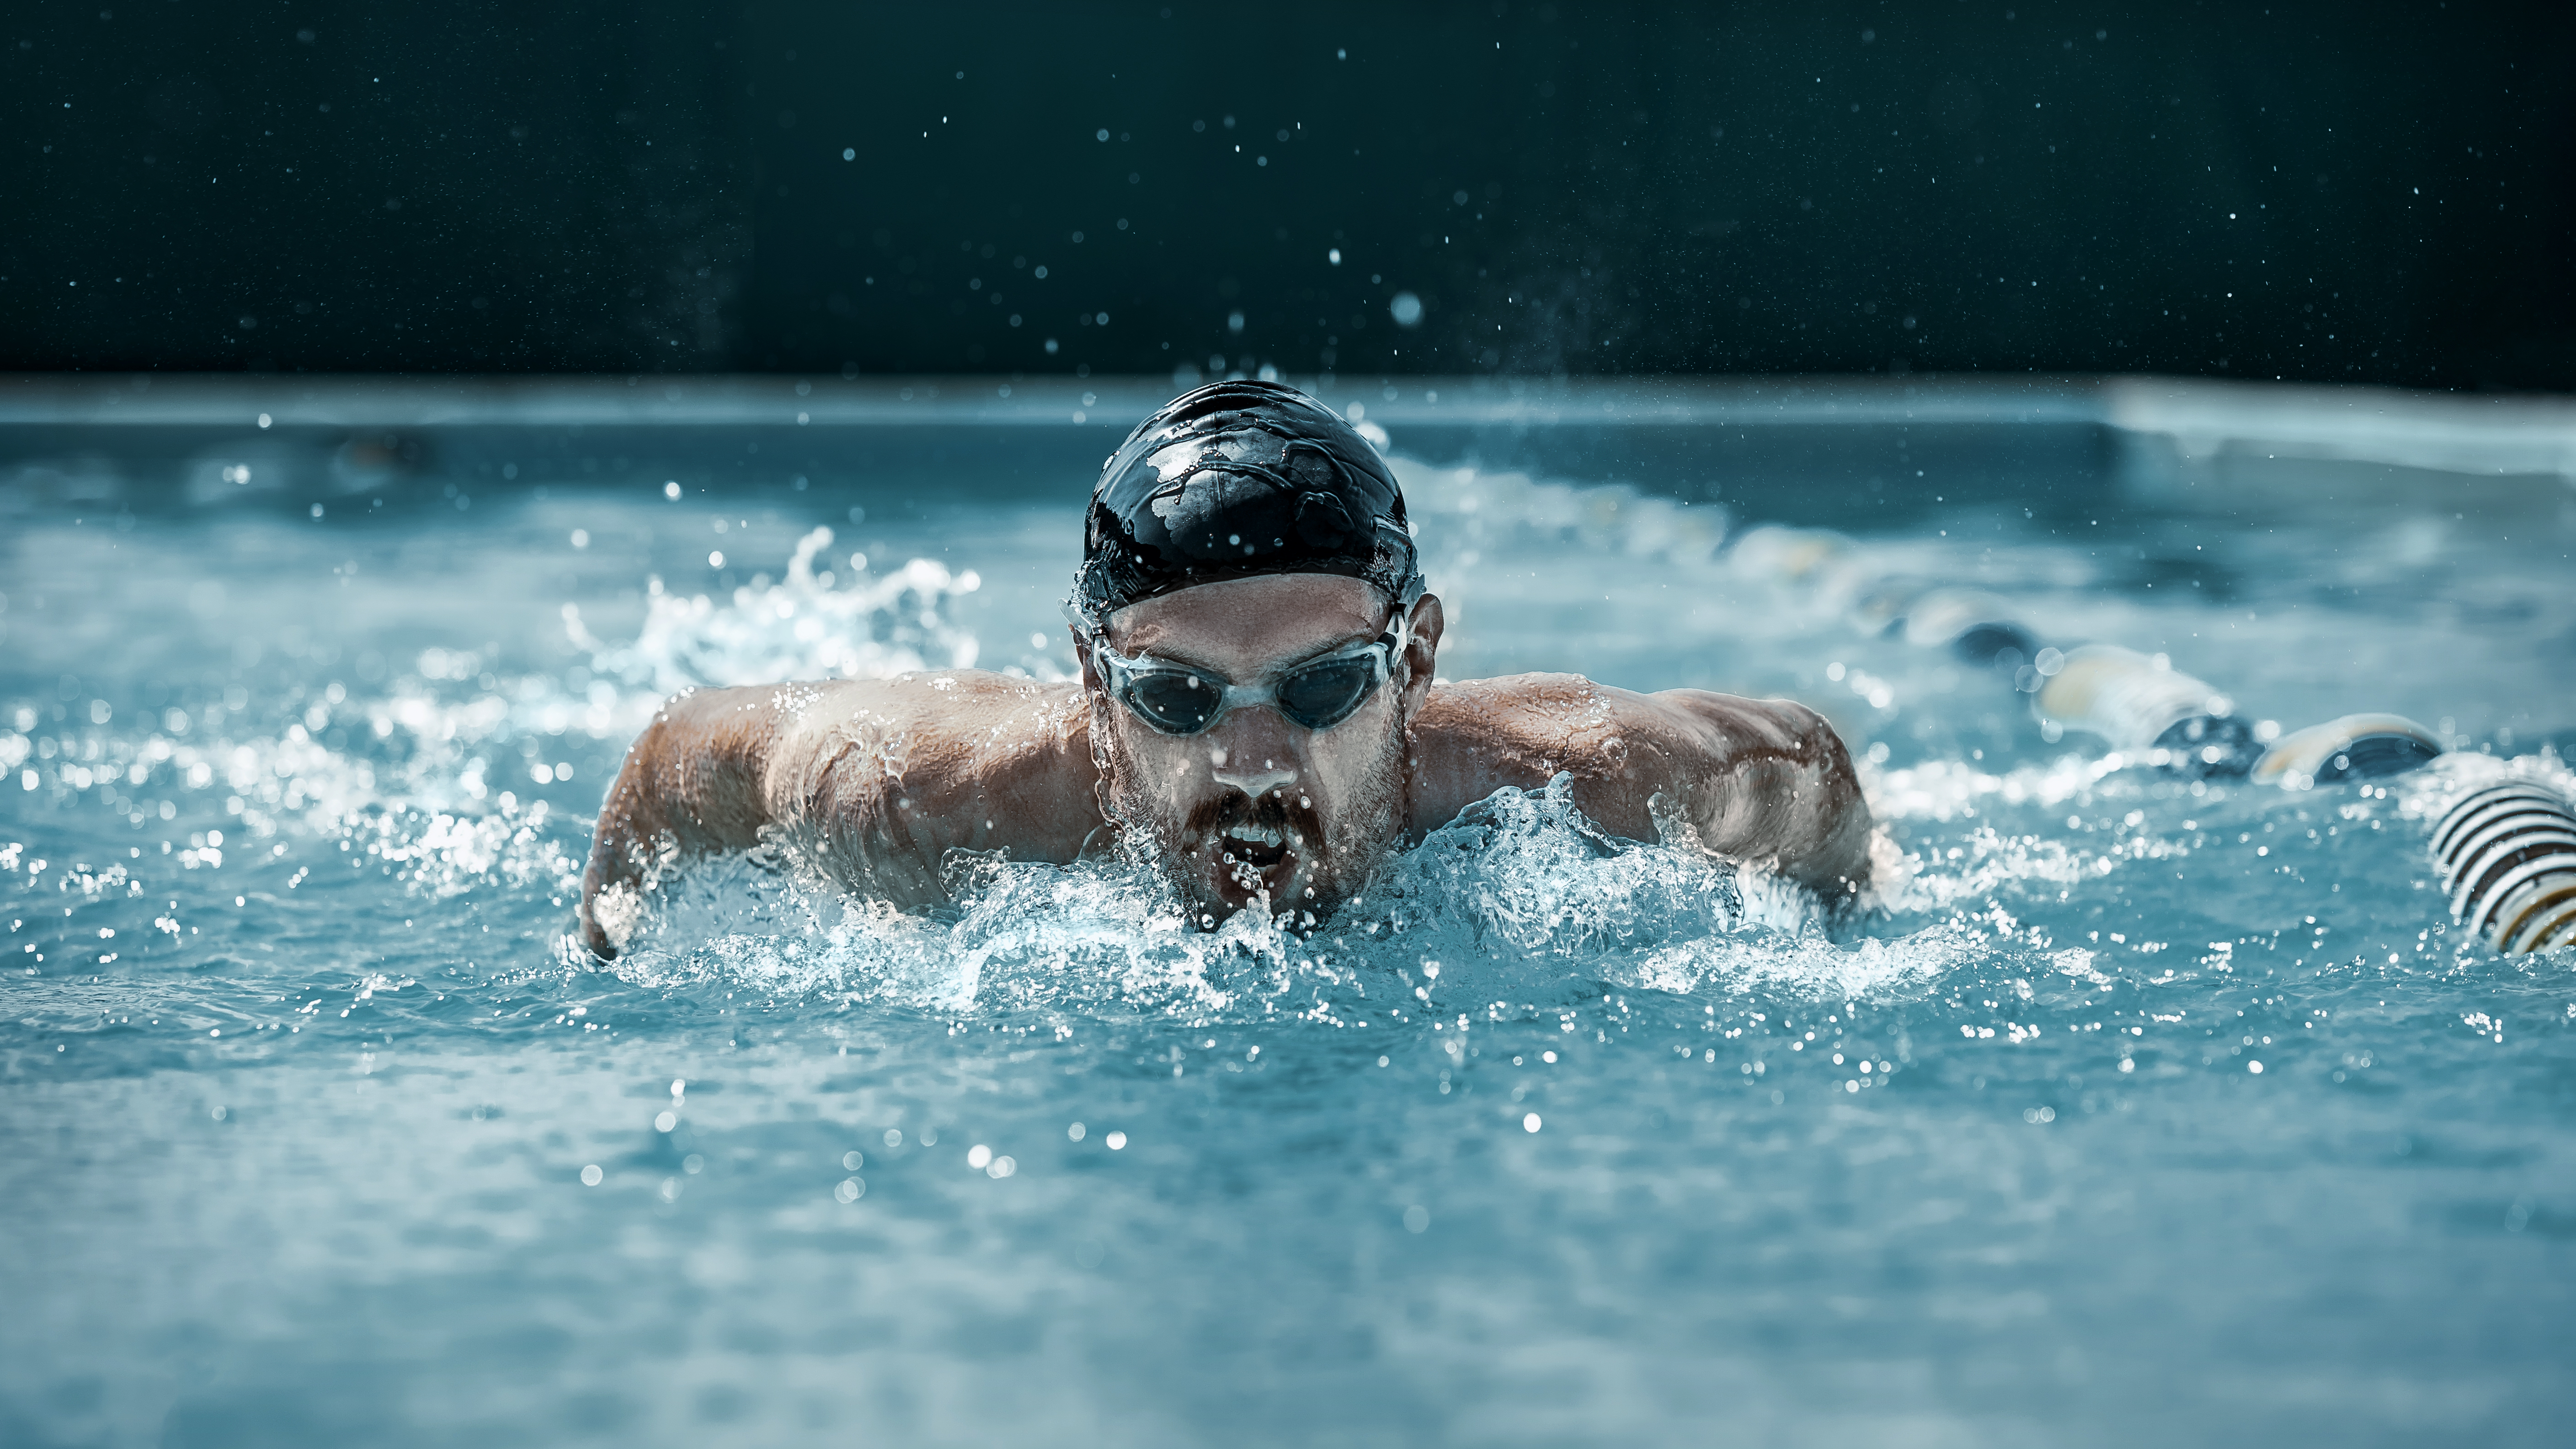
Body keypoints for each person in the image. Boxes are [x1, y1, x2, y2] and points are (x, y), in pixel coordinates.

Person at [577, 380, 1877, 958]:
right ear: (1095, 686)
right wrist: (603, 944)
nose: (1251, 761)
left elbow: (1806, 763)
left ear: (1414, 661)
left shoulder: (1596, 779)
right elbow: (680, 755)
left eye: (1321, 688)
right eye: (1176, 698)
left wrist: (1858, 890)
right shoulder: (913, 797)